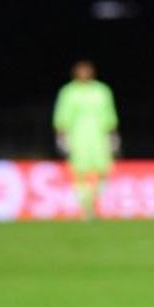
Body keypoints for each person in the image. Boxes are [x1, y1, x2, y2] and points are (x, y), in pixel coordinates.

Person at [52, 60, 119, 219]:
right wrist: (61, 135)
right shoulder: (68, 91)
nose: (84, 74)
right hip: (78, 135)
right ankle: (84, 206)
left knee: (103, 169)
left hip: (99, 135)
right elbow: (62, 114)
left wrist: (113, 134)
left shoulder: (102, 90)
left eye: (87, 70)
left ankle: (95, 200)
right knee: (79, 171)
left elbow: (109, 112)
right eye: (81, 71)